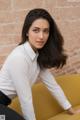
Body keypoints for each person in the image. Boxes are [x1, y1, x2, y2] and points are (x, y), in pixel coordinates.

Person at [0, 8, 80, 120]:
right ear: (27, 32)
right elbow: (25, 99)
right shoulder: (19, 58)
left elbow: (53, 85)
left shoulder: (37, 56)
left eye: (45, 31)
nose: (41, 36)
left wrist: (71, 110)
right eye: (36, 30)